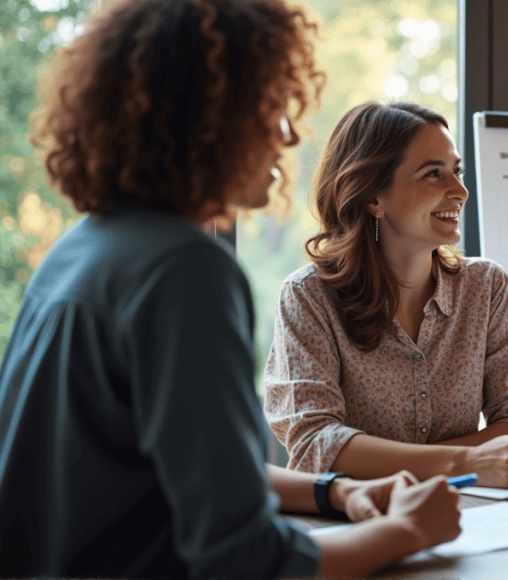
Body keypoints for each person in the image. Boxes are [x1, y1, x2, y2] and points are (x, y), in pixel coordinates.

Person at [0, 1, 460, 578]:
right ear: (206, 116)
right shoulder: (185, 271)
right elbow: (244, 560)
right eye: (270, 108)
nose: (289, 134)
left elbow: (200, 467)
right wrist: (410, 530)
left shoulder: (82, 248)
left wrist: (333, 492)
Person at [263, 101, 508, 489]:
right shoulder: (309, 297)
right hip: (357, 523)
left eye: (457, 170)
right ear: (373, 198)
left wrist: (450, 464)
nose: (460, 190)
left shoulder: (485, 287)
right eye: (434, 174)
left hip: (471, 515)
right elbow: (316, 446)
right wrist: (469, 462)